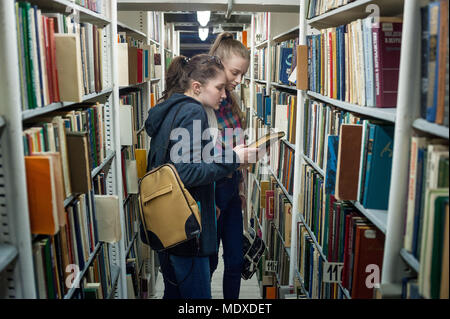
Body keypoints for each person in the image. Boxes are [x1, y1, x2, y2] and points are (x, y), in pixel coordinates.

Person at [144, 54, 257, 299]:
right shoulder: (193, 112)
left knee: (174, 294)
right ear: (197, 87)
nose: (224, 94)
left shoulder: (172, 108)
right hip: (187, 229)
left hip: (167, 224)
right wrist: (235, 159)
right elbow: (185, 172)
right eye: (219, 88)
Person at [208, 32, 251, 299]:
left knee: (235, 260)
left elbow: (239, 147)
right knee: (209, 262)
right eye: (235, 72)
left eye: (242, 75)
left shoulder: (232, 102)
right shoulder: (202, 104)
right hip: (210, 192)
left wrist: (243, 187)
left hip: (232, 191)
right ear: (218, 64)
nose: (238, 80)